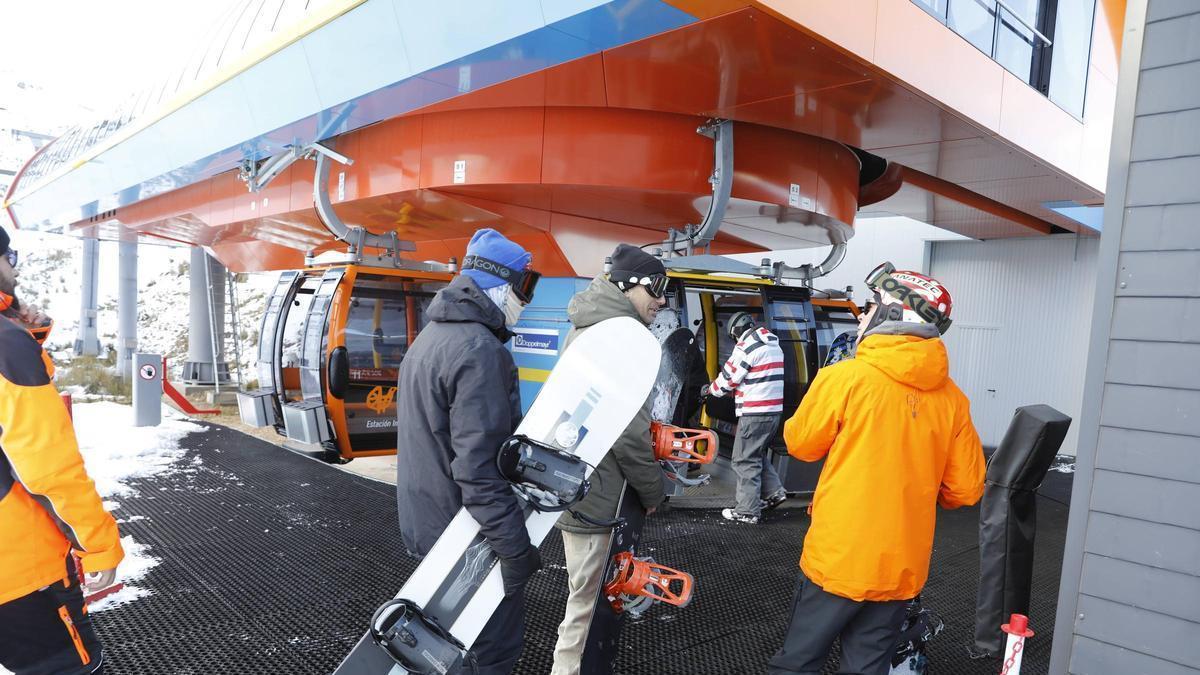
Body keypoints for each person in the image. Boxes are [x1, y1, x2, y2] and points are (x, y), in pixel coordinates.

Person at [768, 262, 985, 675]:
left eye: (870, 306)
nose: (863, 314)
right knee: (867, 666)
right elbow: (967, 489)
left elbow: (801, 445)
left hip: (839, 557)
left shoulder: (845, 378)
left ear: (892, 314)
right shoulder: (954, 400)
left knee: (797, 662)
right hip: (901, 565)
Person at [394, 228, 543, 674]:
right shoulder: (480, 350)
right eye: (525, 285)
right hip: (467, 540)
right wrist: (514, 548)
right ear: (498, 284)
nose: (525, 298)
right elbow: (479, 470)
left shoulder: (431, 338)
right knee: (489, 654)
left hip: (427, 525)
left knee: (445, 651)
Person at [0, 225, 125, 674]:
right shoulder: (6, 345)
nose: (13, 265)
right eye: (8, 255)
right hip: (19, 570)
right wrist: (98, 546)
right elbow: (47, 468)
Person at [550, 244, 668, 675]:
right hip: (600, 496)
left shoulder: (589, 325)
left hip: (577, 484)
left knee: (583, 597)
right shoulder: (621, 337)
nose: (661, 300)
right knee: (588, 605)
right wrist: (654, 489)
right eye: (656, 288)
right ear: (628, 285)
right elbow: (628, 430)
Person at [703, 310, 788, 524]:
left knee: (743, 459)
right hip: (773, 412)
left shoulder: (747, 346)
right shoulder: (773, 344)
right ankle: (774, 493)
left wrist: (709, 390)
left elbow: (729, 379)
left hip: (754, 413)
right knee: (755, 453)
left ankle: (747, 511)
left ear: (737, 330)